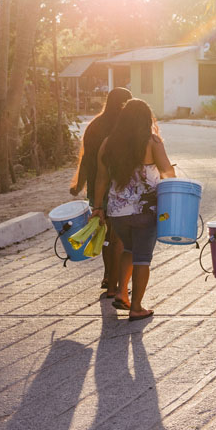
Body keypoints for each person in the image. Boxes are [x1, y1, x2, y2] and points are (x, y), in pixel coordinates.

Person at [91, 99, 175, 321]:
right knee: (143, 258)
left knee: (128, 248)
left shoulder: (108, 143)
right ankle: (136, 307)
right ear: (146, 119)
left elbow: (101, 178)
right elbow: (168, 173)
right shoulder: (152, 142)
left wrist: (98, 207)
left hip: (117, 212)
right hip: (146, 211)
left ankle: (121, 293)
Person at [70, 87, 132, 296]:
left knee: (105, 235)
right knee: (119, 237)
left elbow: (86, 159)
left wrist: (79, 184)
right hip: (119, 187)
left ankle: (107, 276)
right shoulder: (124, 127)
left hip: (97, 186)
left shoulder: (95, 125)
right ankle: (116, 283)